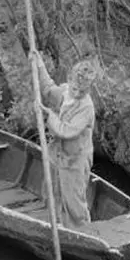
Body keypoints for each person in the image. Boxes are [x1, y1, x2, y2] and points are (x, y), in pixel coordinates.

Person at [30, 50, 98, 228]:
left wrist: (47, 114)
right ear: (70, 81)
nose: (76, 93)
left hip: (75, 160)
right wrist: (39, 64)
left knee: (74, 204)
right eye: (74, 88)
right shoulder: (65, 92)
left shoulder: (86, 107)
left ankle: (83, 233)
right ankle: (60, 227)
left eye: (81, 91)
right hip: (58, 155)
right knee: (54, 193)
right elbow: (47, 88)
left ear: (88, 89)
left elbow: (66, 131)